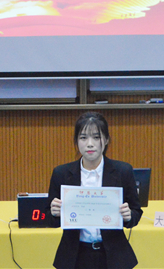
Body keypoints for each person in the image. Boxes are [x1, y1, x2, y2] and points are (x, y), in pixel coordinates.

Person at [47, 112, 142, 269]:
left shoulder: (122, 171)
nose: (89, 144)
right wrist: (54, 213)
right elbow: (50, 220)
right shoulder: (61, 173)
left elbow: (136, 212)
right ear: (76, 141)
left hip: (113, 256)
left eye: (96, 137)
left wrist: (128, 215)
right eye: (83, 138)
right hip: (75, 256)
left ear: (106, 140)